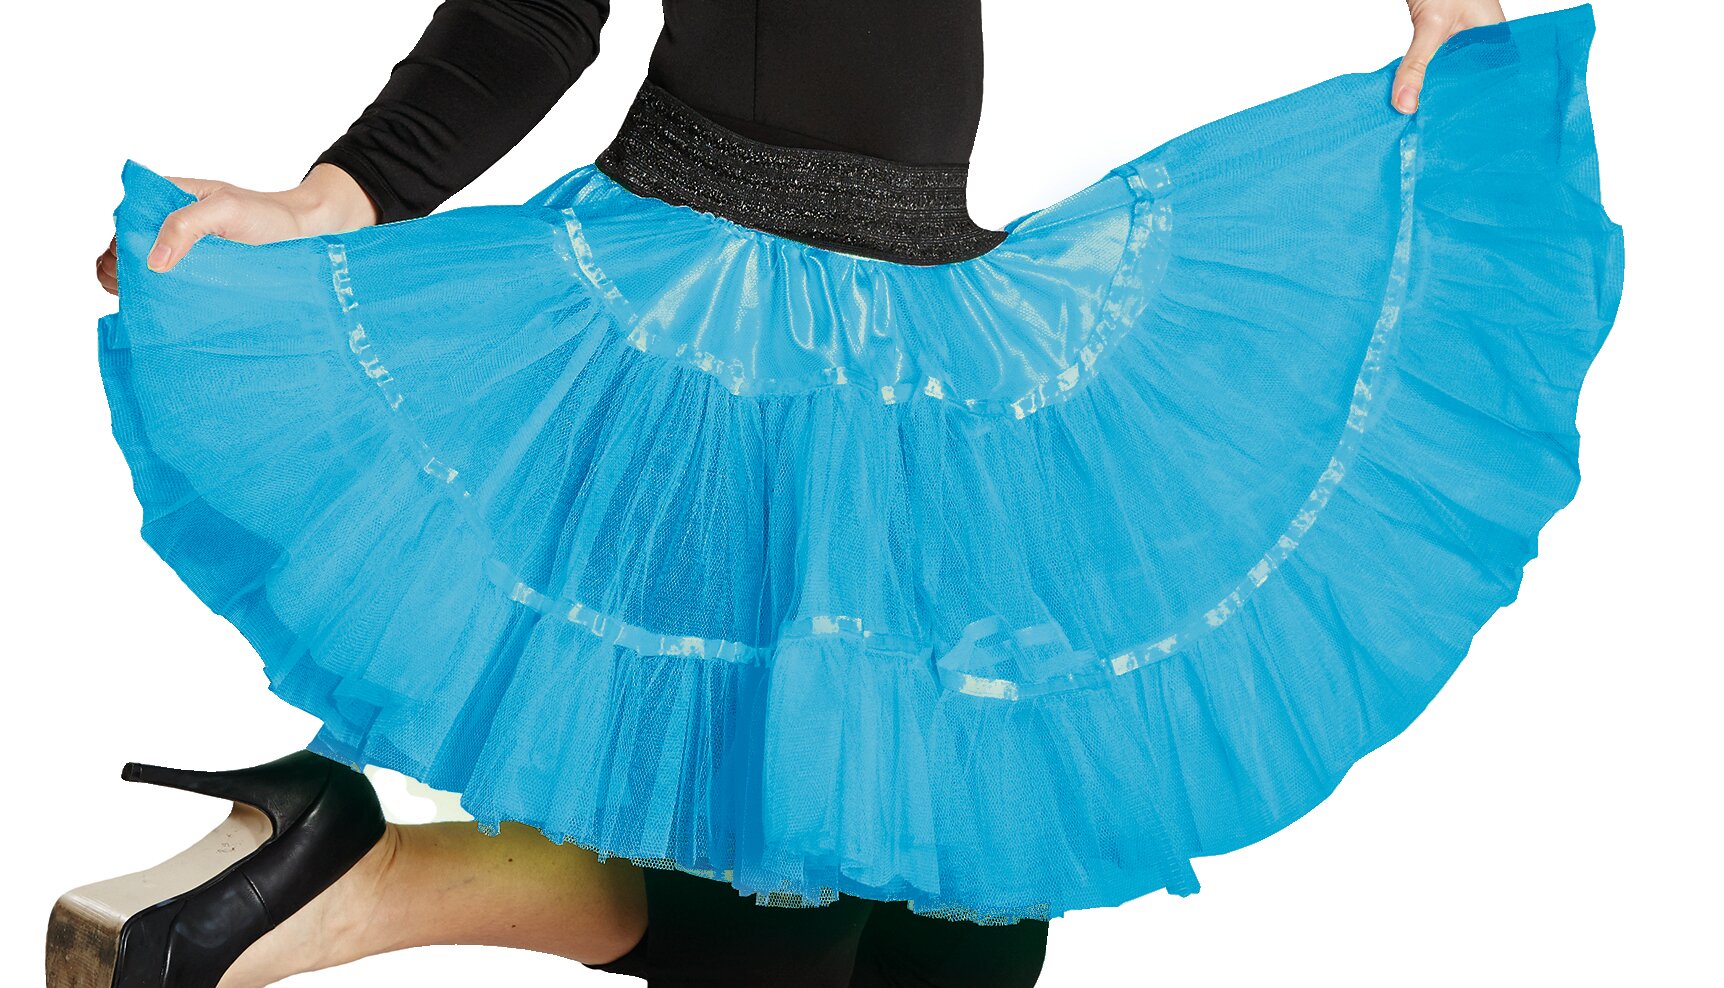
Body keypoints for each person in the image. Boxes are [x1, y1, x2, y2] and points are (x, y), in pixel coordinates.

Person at [60, 2, 1621, 987]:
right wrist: (339, 196)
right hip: (718, 325)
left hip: (932, 320)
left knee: (970, 897)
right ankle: (364, 881)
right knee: (789, 914)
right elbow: (532, 10)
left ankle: (351, 865)